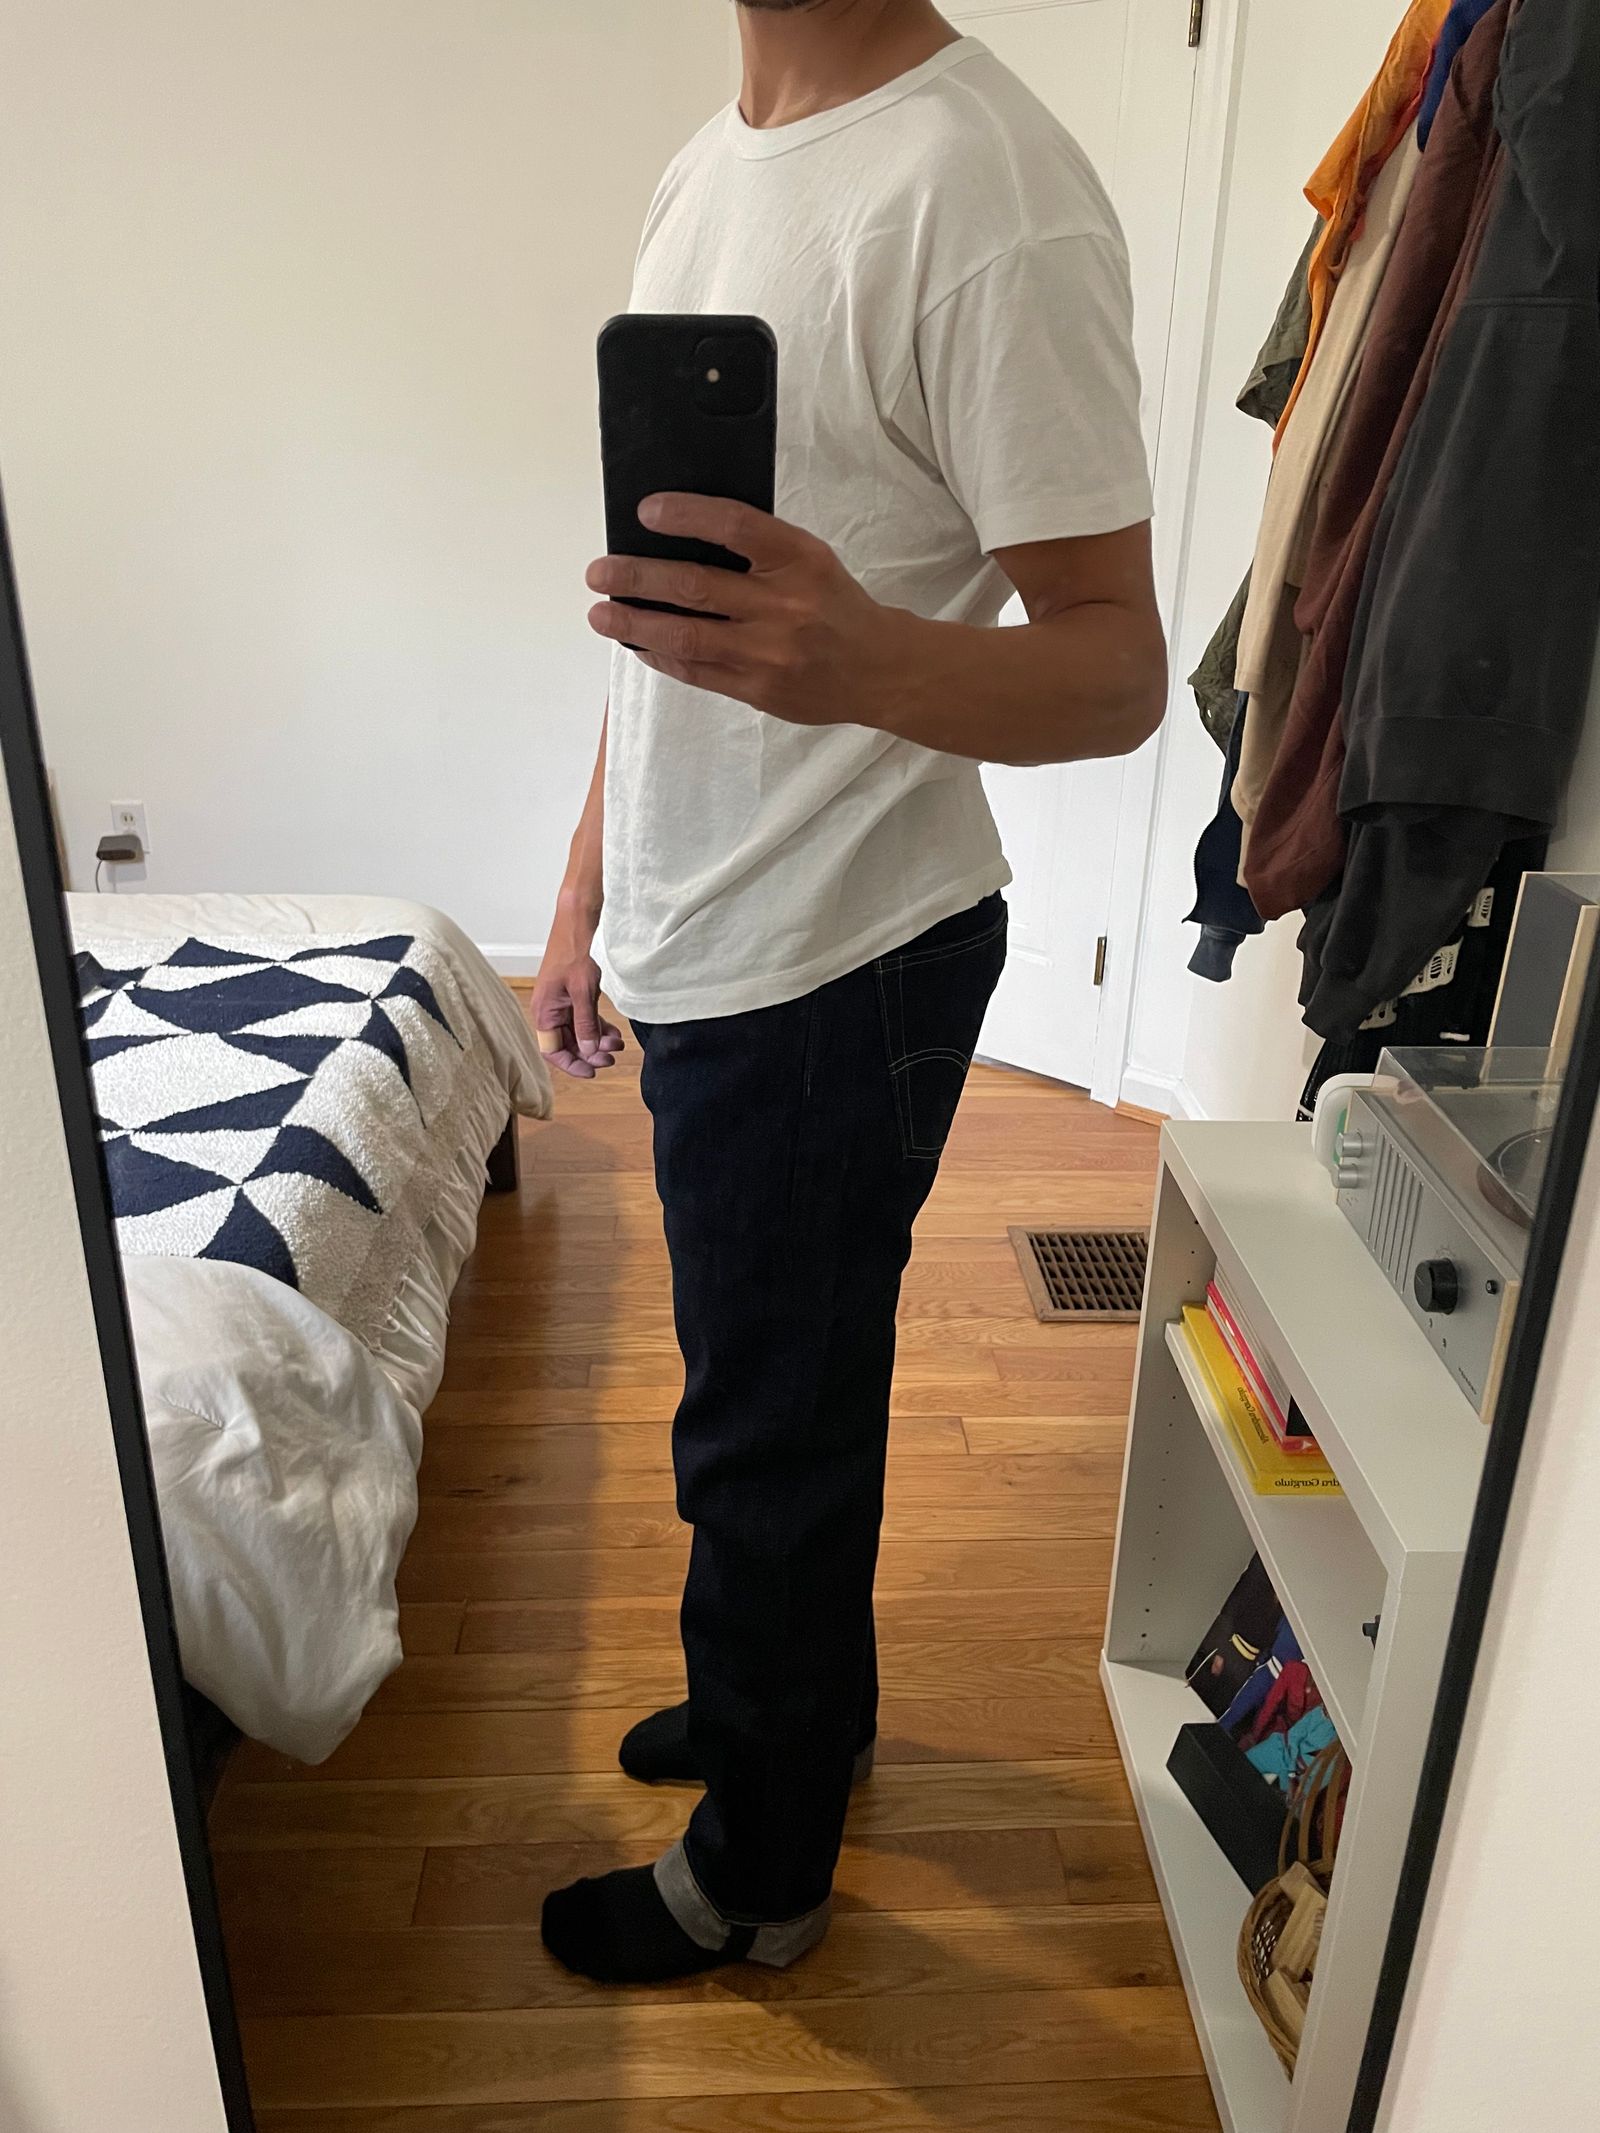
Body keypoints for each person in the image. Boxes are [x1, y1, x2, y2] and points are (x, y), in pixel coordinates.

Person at [533, 0, 1166, 1986]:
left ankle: (760, 1868)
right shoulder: (708, 163)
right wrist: (584, 890)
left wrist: (864, 656)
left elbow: (1116, 667)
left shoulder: (986, 189)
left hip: (839, 952)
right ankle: (787, 1710)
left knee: (764, 1435)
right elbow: (667, 629)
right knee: (778, 1400)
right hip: (705, 924)